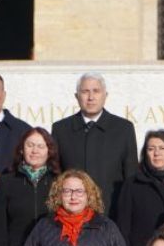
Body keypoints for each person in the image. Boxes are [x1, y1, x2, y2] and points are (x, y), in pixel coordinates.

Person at [51, 72, 138, 215]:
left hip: (111, 213)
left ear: (105, 95)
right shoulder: (61, 129)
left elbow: (130, 175)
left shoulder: (123, 128)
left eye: (96, 91)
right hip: (71, 216)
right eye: (85, 91)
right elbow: (56, 175)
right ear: (76, 96)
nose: (91, 97)